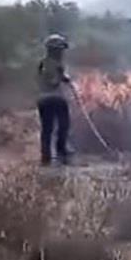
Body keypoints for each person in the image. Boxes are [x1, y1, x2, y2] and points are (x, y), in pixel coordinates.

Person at [37, 33, 73, 165]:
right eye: (60, 49)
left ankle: (54, 155)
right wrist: (61, 77)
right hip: (51, 98)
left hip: (48, 98)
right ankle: (56, 155)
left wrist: (64, 77)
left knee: (57, 127)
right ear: (54, 50)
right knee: (55, 127)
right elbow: (51, 81)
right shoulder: (48, 64)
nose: (62, 52)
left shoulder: (51, 63)